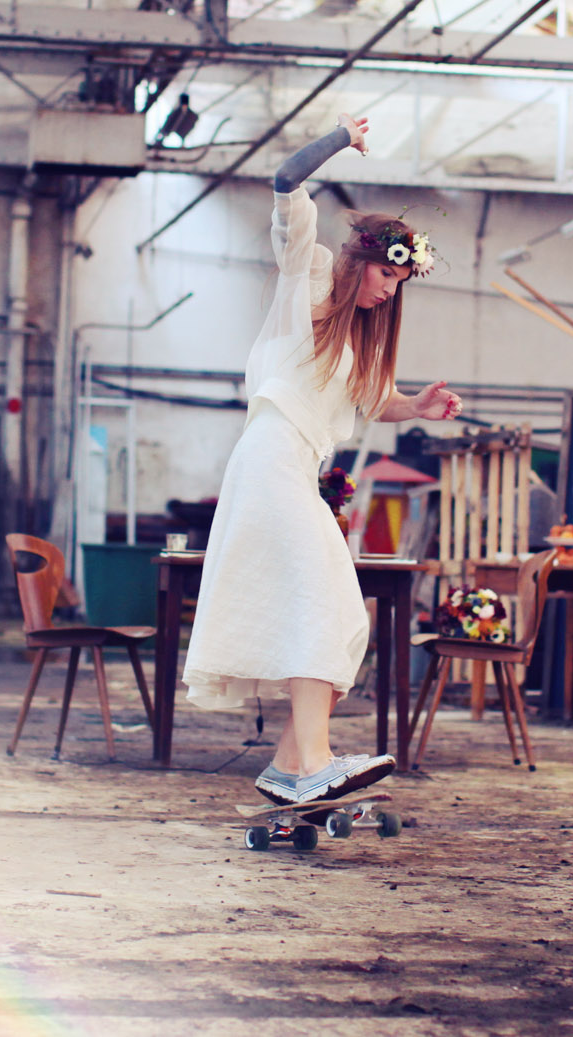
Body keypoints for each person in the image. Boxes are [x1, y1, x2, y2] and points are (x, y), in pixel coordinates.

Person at [183, 113, 465, 806]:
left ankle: (289, 765)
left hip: (292, 469)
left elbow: (376, 401)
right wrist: (340, 138)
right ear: (360, 259)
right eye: (384, 277)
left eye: (398, 286)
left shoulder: (357, 344)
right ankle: (314, 758)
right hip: (270, 457)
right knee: (323, 597)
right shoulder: (306, 277)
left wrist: (418, 406)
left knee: (341, 614)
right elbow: (284, 179)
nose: (387, 292)